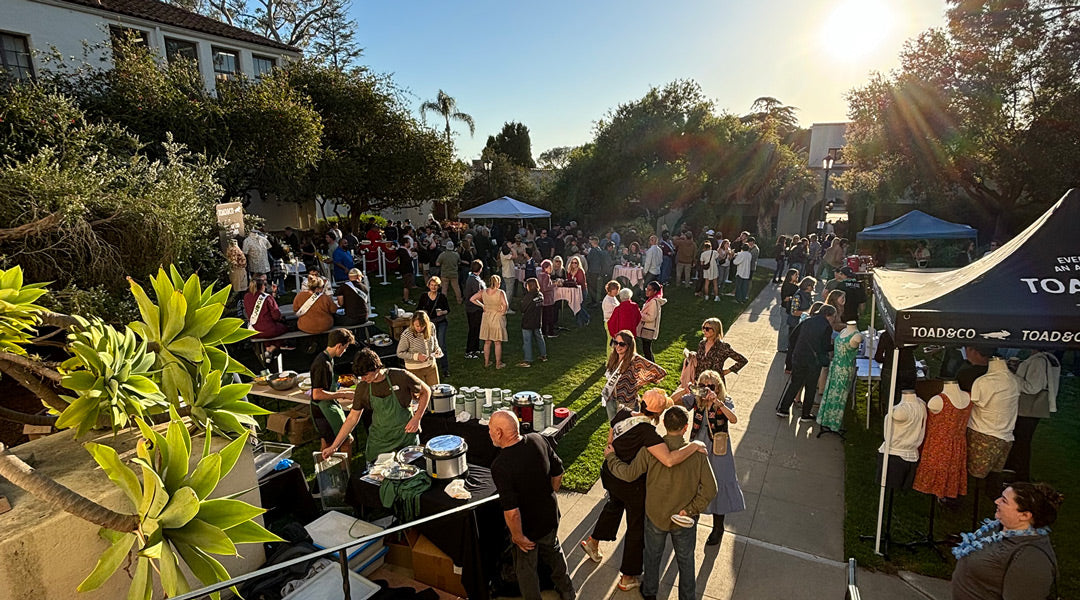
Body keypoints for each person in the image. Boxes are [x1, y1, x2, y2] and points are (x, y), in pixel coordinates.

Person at [582, 389, 706, 591]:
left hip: (611, 475)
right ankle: (627, 577)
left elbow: (611, 434)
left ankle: (593, 542)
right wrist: (694, 446)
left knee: (613, 505)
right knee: (636, 528)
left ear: (641, 403)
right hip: (631, 485)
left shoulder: (623, 413)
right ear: (657, 415)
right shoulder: (649, 434)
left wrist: (611, 451)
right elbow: (668, 460)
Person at [604, 401, 717, 600]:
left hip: (655, 516)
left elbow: (628, 474)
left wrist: (611, 457)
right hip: (684, 519)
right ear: (685, 427)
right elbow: (711, 489)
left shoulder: (649, 450)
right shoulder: (697, 454)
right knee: (686, 561)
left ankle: (649, 592)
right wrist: (690, 510)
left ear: (663, 422)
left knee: (652, 557)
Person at [488, 410, 576, 600]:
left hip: (527, 528)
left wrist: (518, 536)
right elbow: (558, 472)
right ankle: (567, 591)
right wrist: (549, 493)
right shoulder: (538, 439)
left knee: (526, 570)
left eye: (490, 429)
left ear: (499, 433)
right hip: (549, 516)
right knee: (554, 552)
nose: (488, 433)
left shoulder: (500, 465)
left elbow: (512, 513)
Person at [951, 482, 1062, 600]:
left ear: (1024, 515)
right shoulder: (998, 527)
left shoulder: (1031, 557)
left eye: (1004, 501)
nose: (996, 501)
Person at [671, 372, 743, 546]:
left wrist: (718, 403)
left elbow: (733, 419)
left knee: (719, 483)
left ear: (718, 388)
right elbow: (672, 402)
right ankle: (689, 520)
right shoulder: (696, 400)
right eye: (703, 386)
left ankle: (718, 528)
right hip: (698, 444)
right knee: (694, 484)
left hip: (718, 448)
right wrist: (685, 389)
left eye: (711, 387)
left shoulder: (725, 401)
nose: (707, 390)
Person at [323, 347, 430, 461]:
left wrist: (417, 418)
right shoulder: (363, 387)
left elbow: (426, 391)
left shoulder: (400, 376)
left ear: (377, 368)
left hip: (405, 437)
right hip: (380, 440)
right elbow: (352, 418)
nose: (363, 378)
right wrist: (334, 447)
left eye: (366, 375)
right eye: (361, 376)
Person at [777, 304, 840, 421]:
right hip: (813, 361)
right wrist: (836, 346)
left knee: (795, 383)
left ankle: (783, 409)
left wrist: (797, 348)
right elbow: (825, 346)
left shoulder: (807, 321)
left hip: (799, 357)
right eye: (833, 316)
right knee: (810, 387)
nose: (834, 319)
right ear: (828, 315)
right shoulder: (826, 327)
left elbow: (792, 337)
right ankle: (805, 414)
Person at [601, 330, 667, 422]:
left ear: (629, 345)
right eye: (616, 343)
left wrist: (640, 381)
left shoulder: (635, 360)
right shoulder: (613, 357)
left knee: (626, 429)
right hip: (611, 400)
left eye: (622, 344)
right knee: (614, 427)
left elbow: (660, 372)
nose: (618, 346)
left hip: (627, 403)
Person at [309, 329, 356, 455]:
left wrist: (345, 388)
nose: (345, 351)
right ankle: (346, 472)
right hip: (324, 409)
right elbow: (317, 394)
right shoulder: (323, 364)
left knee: (327, 443)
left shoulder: (326, 358)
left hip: (322, 408)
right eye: (345, 348)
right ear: (338, 345)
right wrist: (344, 394)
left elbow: (328, 386)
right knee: (346, 440)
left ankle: (324, 472)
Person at [692, 317, 748, 383]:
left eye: (707, 329)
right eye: (703, 328)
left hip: (715, 384)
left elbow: (743, 360)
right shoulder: (702, 344)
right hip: (700, 382)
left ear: (715, 330)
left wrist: (727, 371)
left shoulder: (723, 347)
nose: (704, 330)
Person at [396, 310, 443, 386]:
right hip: (415, 369)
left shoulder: (431, 327)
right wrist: (416, 356)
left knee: (435, 391)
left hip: (431, 366)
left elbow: (434, 340)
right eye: (417, 326)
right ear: (412, 323)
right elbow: (400, 353)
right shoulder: (407, 334)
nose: (420, 328)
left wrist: (437, 349)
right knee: (420, 394)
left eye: (423, 326)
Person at [416, 276, 450, 378]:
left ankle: (445, 369)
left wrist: (442, 312)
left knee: (441, 344)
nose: (433, 287)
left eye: (435, 286)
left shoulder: (442, 297)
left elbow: (448, 309)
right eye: (432, 285)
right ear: (428, 285)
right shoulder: (424, 297)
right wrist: (423, 312)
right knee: (427, 345)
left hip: (441, 322)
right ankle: (428, 367)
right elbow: (418, 309)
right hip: (429, 324)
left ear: (438, 287)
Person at [472, 274, 508, 369]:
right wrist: (503, 312)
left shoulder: (484, 291)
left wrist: (482, 306)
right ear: (498, 283)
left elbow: (472, 299)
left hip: (486, 317)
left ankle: (486, 362)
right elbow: (505, 304)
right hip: (497, 317)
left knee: (487, 342)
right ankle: (498, 363)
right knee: (497, 342)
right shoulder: (500, 292)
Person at [243, 278, 288, 356]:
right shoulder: (267, 297)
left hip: (254, 331)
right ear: (262, 286)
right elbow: (276, 316)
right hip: (270, 330)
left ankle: (267, 349)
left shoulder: (246, 297)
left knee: (264, 328)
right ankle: (271, 348)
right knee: (286, 328)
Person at [518, 277, 547, 367]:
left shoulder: (528, 296)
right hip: (537, 320)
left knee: (527, 340)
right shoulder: (540, 295)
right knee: (539, 337)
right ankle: (543, 355)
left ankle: (528, 360)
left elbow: (523, 308)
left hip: (528, 321)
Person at [637, 281, 666, 362]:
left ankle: (652, 367)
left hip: (648, 329)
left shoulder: (653, 302)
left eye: (649, 290)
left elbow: (651, 317)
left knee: (647, 350)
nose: (647, 291)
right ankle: (650, 367)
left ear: (655, 291)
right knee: (646, 349)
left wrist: (640, 315)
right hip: (646, 328)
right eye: (647, 289)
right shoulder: (651, 300)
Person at [463, 260, 486, 359]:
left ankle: (475, 348)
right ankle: (469, 351)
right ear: (480, 269)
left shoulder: (472, 277)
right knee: (473, 330)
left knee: (476, 329)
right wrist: (482, 305)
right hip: (474, 309)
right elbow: (476, 296)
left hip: (472, 308)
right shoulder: (475, 280)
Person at [778, 268, 800, 352]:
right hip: (786, 309)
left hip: (787, 309)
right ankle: (782, 347)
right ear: (790, 276)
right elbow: (785, 298)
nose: (797, 276)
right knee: (785, 328)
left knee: (787, 328)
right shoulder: (790, 286)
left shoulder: (789, 285)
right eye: (795, 275)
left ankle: (785, 346)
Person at [537, 259, 559, 338]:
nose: (551, 269)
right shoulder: (546, 276)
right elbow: (546, 288)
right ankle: (550, 332)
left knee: (544, 317)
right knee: (550, 317)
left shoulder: (539, 275)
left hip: (543, 299)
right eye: (550, 267)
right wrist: (554, 284)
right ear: (545, 268)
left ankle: (543, 332)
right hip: (548, 299)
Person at [601, 280, 622, 345]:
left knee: (615, 341)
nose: (616, 291)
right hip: (609, 322)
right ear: (609, 289)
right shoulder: (607, 300)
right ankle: (609, 355)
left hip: (615, 322)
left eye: (617, 289)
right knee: (611, 342)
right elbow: (608, 314)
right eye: (614, 289)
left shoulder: (613, 297)